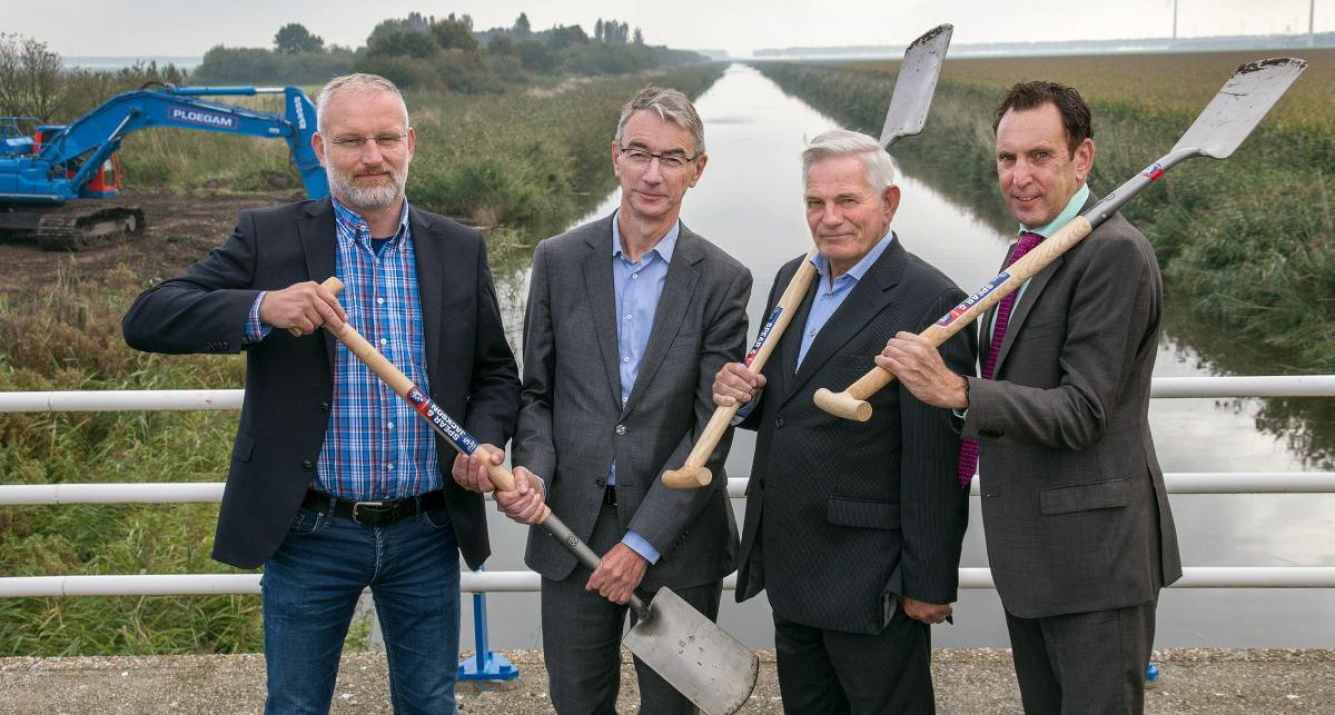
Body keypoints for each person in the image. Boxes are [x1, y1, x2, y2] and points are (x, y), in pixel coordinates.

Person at [122, 73, 520, 715]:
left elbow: (496, 373)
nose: (372, 157)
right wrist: (262, 307)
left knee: (429, 703)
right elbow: (148, 317)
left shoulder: (458, 246)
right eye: (352, 141)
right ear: (320, 147)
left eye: (386, 138)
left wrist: (486, 440)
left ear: (411, 142)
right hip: (310, 529)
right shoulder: (269, 237)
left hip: (426, 528)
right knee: (296, 705)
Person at [876, 81, 1182, 715]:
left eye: (1040, 156)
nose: (1019, 177)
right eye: (1007, 158)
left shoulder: (1114, 255)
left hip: (1094, 563)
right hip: (1036, 561)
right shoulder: (1032, 248)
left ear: (1083, 158)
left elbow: (1083, 412)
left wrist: (958, 391)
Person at [453, 85, 751, 714]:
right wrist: (533, 472)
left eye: (672, 158)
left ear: (697, 170)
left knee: (671, 711)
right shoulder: (558, 260)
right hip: (569, 530)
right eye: (639, 152)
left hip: (678, 540)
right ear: (615, 157)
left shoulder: (724, 279)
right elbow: (537, 395)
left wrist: (641, 544)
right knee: (578, 703)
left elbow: (711, 429)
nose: (652, 173)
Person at [713, 128, 975, 715]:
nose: (829, 218)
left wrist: (928, 582)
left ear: (889, 203)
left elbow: (938, 459)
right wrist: (742, 396)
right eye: (815, 202)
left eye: (847, 201)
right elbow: (784, 404)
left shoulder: (932, 302)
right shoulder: (794, 278)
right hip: (791, 563)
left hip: (870, 579)